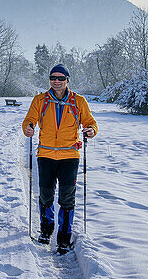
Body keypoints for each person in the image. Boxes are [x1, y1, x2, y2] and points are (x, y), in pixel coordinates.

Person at [22, 64, 98, 251]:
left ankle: (64, 237)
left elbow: (90, 122)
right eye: (53, 78)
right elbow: (28, 120)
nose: (56, 81)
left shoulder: (78, 101)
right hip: (46, 155)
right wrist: (28, 128)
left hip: (69, 156)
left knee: (67, 197)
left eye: (60, 78)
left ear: (67, 80)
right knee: (46, 196)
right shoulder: (40, 100)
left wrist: (90, 131)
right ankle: (46, 231)